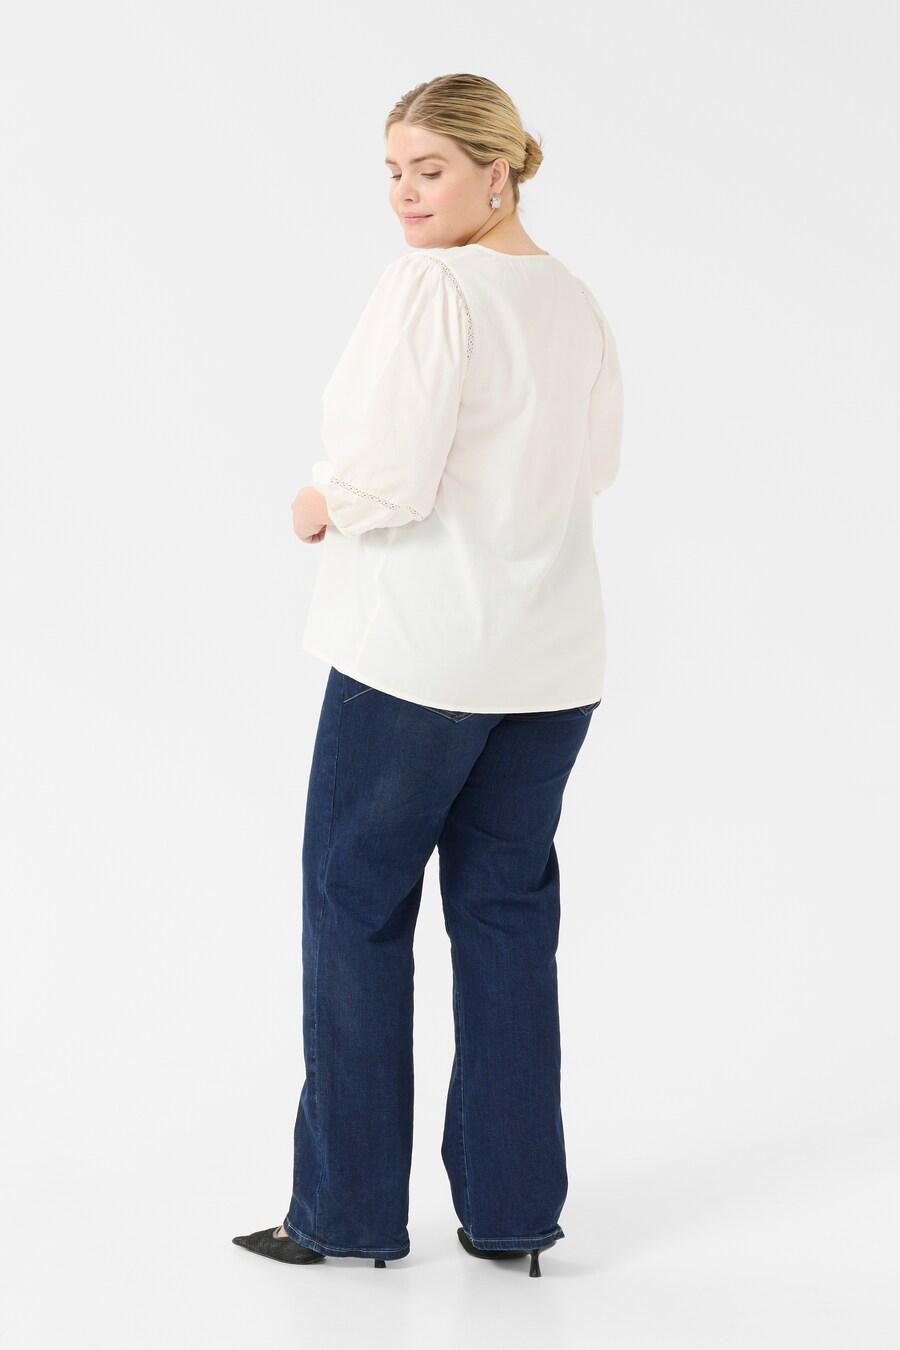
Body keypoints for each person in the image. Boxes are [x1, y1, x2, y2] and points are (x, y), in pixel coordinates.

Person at [233, 72, 624, 1278]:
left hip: (419, 657)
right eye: (394, 172)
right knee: (506, 921)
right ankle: (513, 1215)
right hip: (549, 663)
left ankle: (345, 1214)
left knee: (355, 910)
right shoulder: (571, 299)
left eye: (432, 169)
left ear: (498, 170)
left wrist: (316, 503)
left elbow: (384, 479)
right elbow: (595, 466)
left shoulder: (433, 287)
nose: (406, 195)